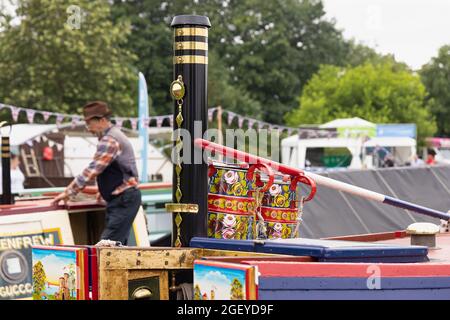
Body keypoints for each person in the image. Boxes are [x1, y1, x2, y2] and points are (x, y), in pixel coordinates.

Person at [52, 101, 142, 245]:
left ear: (102, 120)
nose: (88, 128)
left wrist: (69, 192)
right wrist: (103, 190)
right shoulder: (113, 136)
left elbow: (93, 170)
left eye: (90, 124)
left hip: (123, 199)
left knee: (106, 248)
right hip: (123, 198)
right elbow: (111, 169)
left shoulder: (109, 139)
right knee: (115, 247)